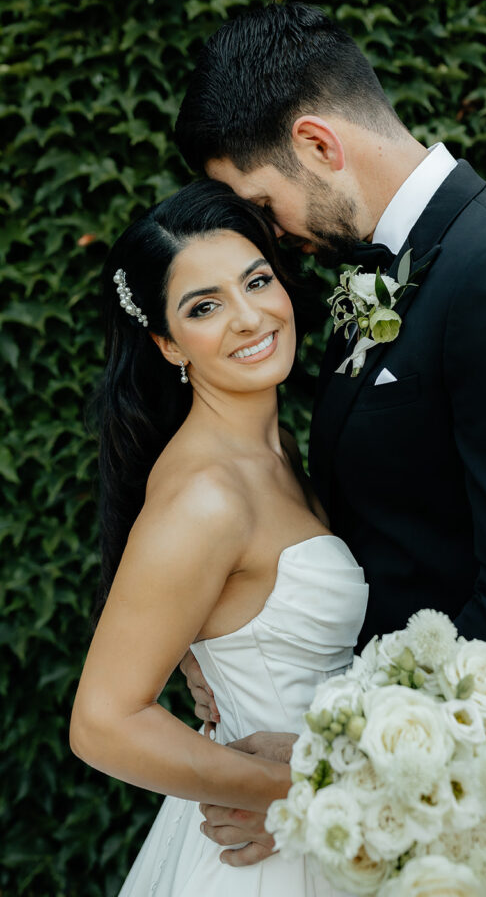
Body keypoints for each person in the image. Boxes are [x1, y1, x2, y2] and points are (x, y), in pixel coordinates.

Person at [173, 2, 486, 882]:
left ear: (317, 144)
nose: (272, 235)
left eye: (261, 204)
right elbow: (380, 527)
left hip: (482, 809)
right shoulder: (390, 269)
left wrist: (329, 771)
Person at [70, 179, 368, 896]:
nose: (246, 317)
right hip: (270, 855)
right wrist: (292, 789)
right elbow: (103, 723)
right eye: (204, 307)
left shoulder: (279, 449)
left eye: (255, 281)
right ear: (169, 342)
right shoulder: (206, 496)